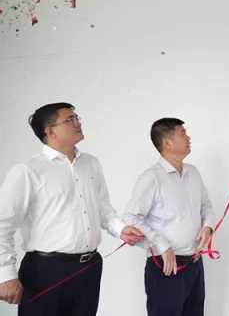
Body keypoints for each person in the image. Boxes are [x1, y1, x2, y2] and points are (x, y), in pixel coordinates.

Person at [0, 102, 145, 315]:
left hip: (89, 267)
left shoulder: (91, 164)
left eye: (77, 118)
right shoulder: (28, 171)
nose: (78, 123)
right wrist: (5, 274)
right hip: (46, 271)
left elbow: (103, 208)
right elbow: (3, 223)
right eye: (70, 120)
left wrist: (120, 229)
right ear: (50, 132)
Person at [123, 118, 216, 316]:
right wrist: (162, 245)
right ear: (167, 142)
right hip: (166, 268)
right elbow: (131, 217)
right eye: (183, 133)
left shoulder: (193, 172)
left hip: (194, 264)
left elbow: (206, 204)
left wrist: (208, 226)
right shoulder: (152, 178)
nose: (188, 138)